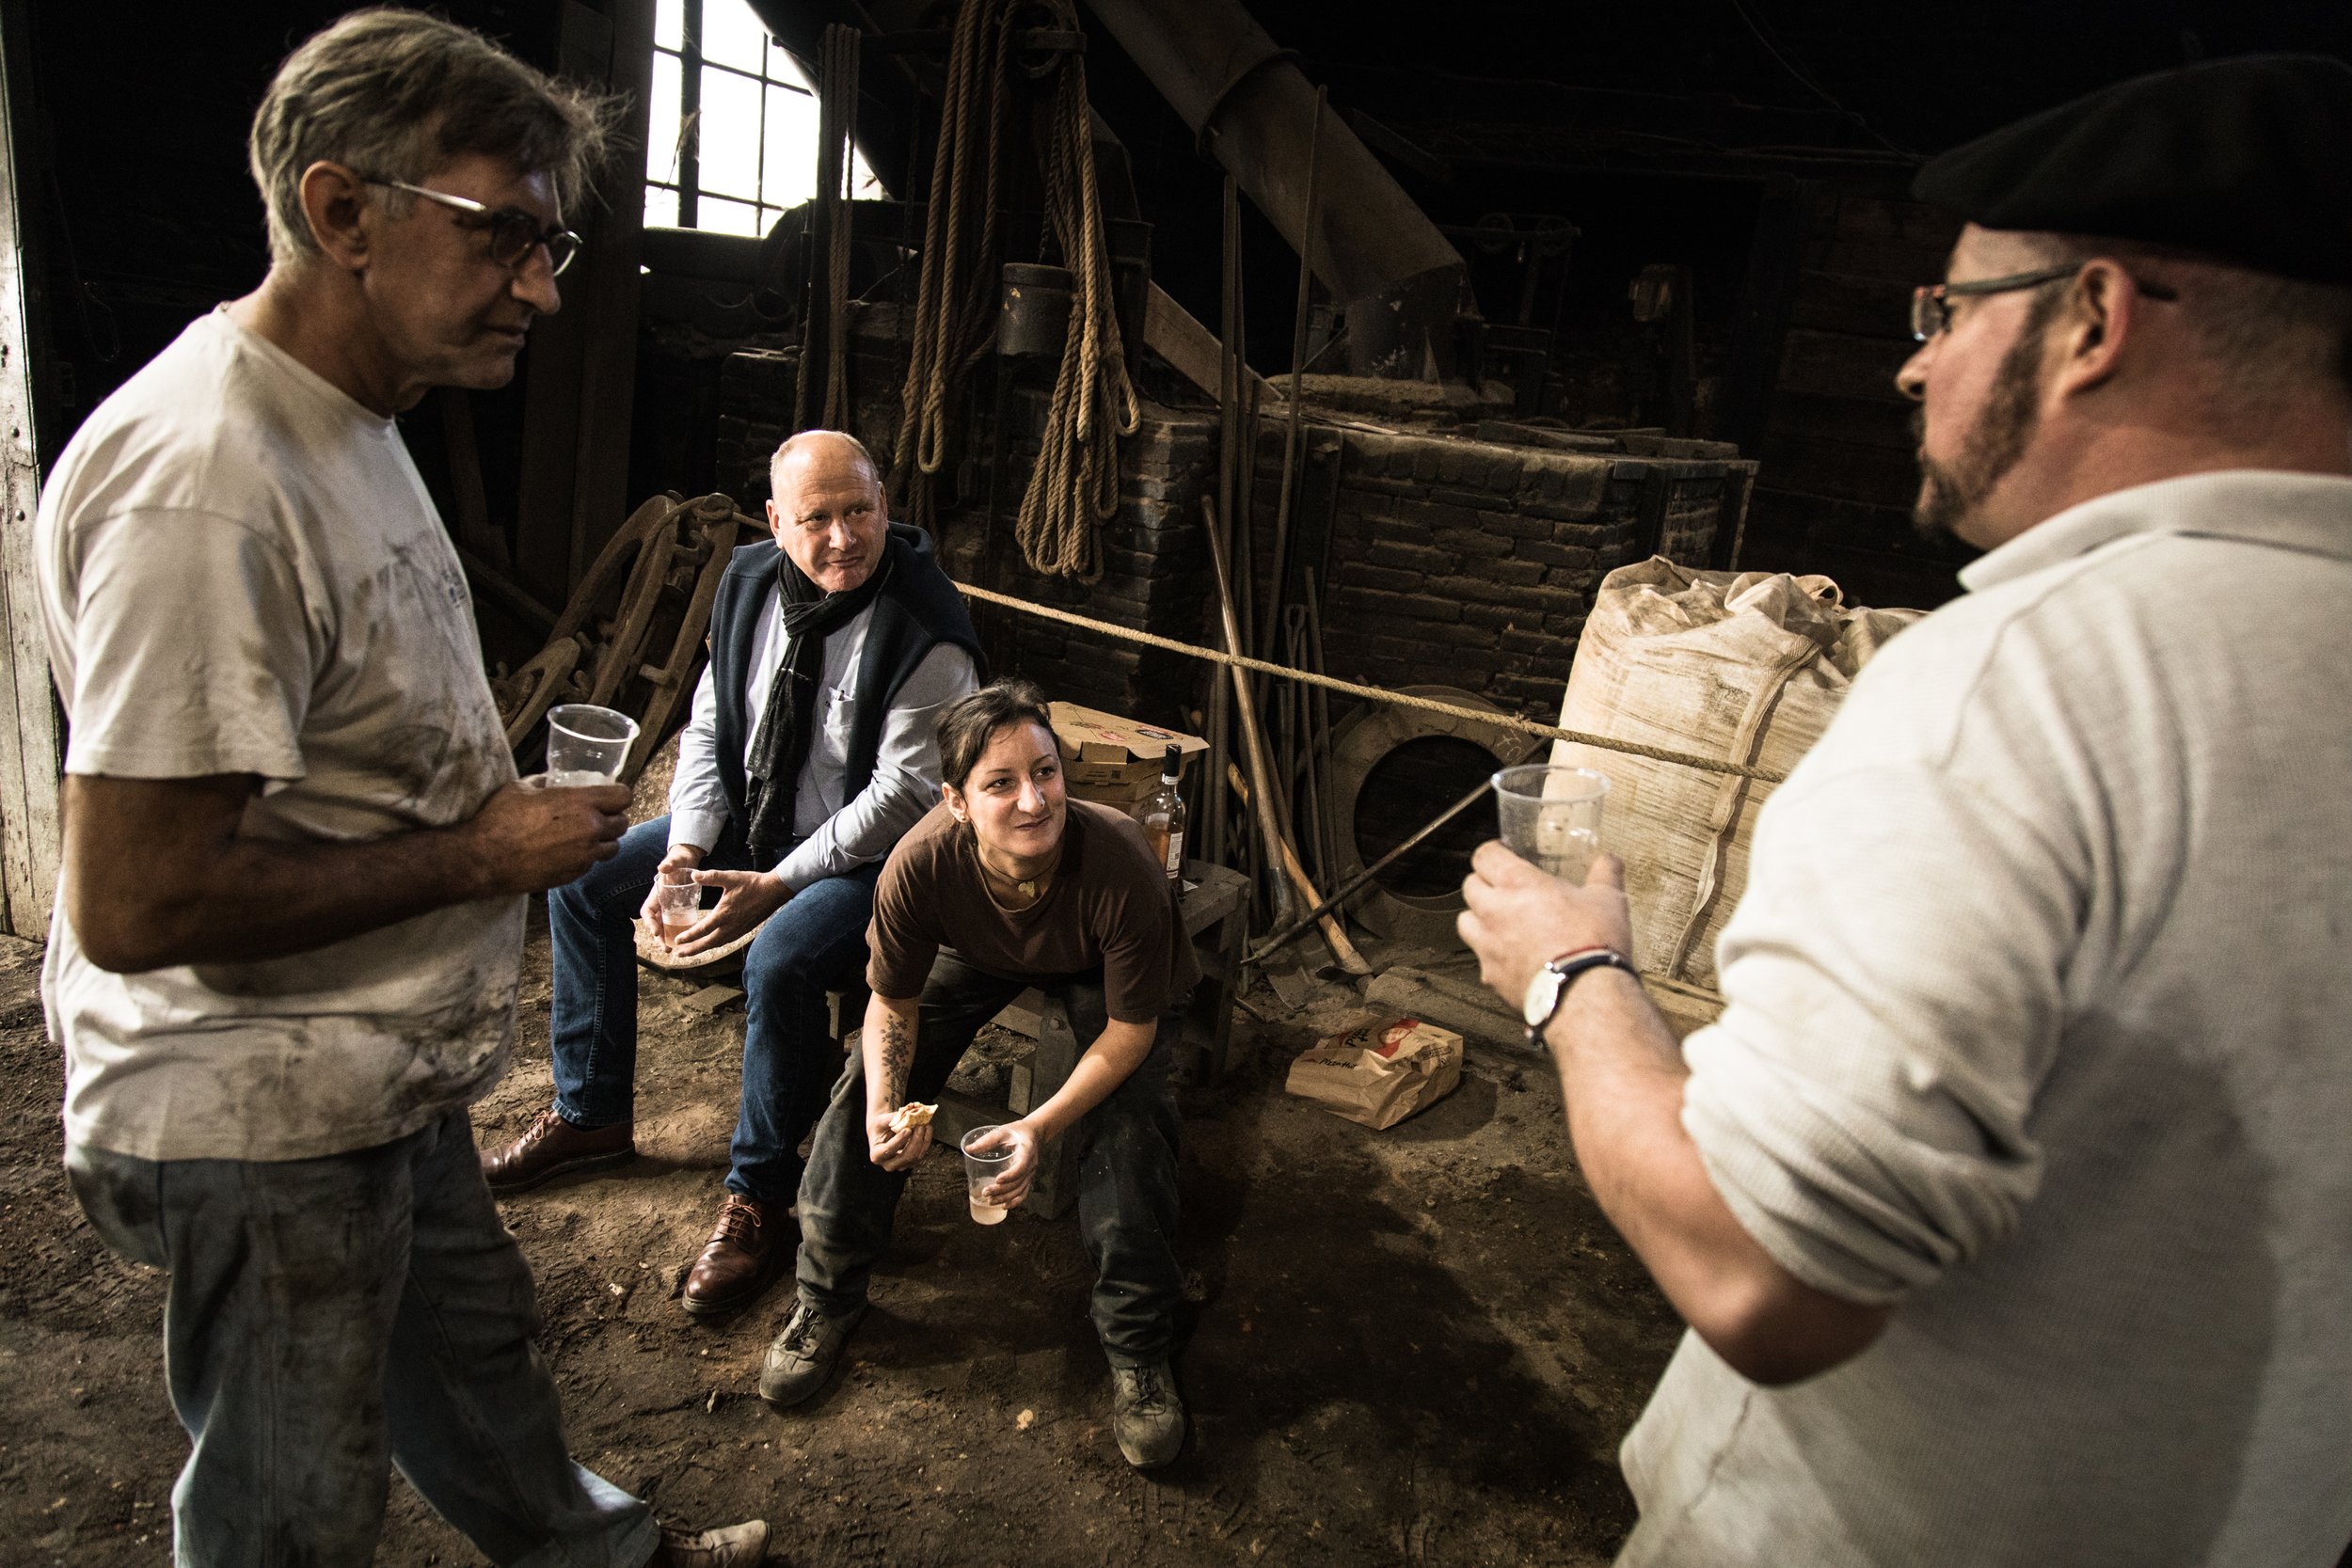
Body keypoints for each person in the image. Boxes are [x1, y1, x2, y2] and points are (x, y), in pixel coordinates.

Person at [1458, 55, 2352, 1568]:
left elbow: (1763, 1276)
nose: (1910, 365)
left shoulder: (2026, 679)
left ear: (2092, 319)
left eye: (1946, 312)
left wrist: (1577, 974)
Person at [33, 12, 764, 1565]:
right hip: (255, 1110)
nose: (546, 287)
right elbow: (143, 896)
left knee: (475, 1361)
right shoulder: (208, 480)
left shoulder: (349, 419)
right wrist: (480, 851)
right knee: (290, 1505)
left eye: (550, 241)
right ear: (341, 211)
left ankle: (591, 1553)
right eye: (503, 234)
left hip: (362, 1067)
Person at [481, 427, 982, 1319]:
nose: (843, 538)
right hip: (757, 818)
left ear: (886, 508)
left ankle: (761, 1192)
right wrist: (683, 851)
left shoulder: (926, 624)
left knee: (780, 957)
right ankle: (591, 1110)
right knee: (585, 875)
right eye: (818, 518)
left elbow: (902, 797)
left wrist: (778, 882)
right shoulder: (748, 583)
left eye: (860, 512)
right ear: (775, 521)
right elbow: (711, 730)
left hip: (867, 859)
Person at [757, 679, 1198, 1470]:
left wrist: (1039, 1125)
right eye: (1001, 782)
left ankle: (1138, 1347)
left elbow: (1134, 1029)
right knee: (863, 1086)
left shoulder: (1122, 859)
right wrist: (884, 1109)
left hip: (1096, 963)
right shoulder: (921, 864)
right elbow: (890, 1002)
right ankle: (824, 1296)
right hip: (971, 950)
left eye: (1047, 771)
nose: (1034, 799)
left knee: (1133, 1124)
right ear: (956, 800)